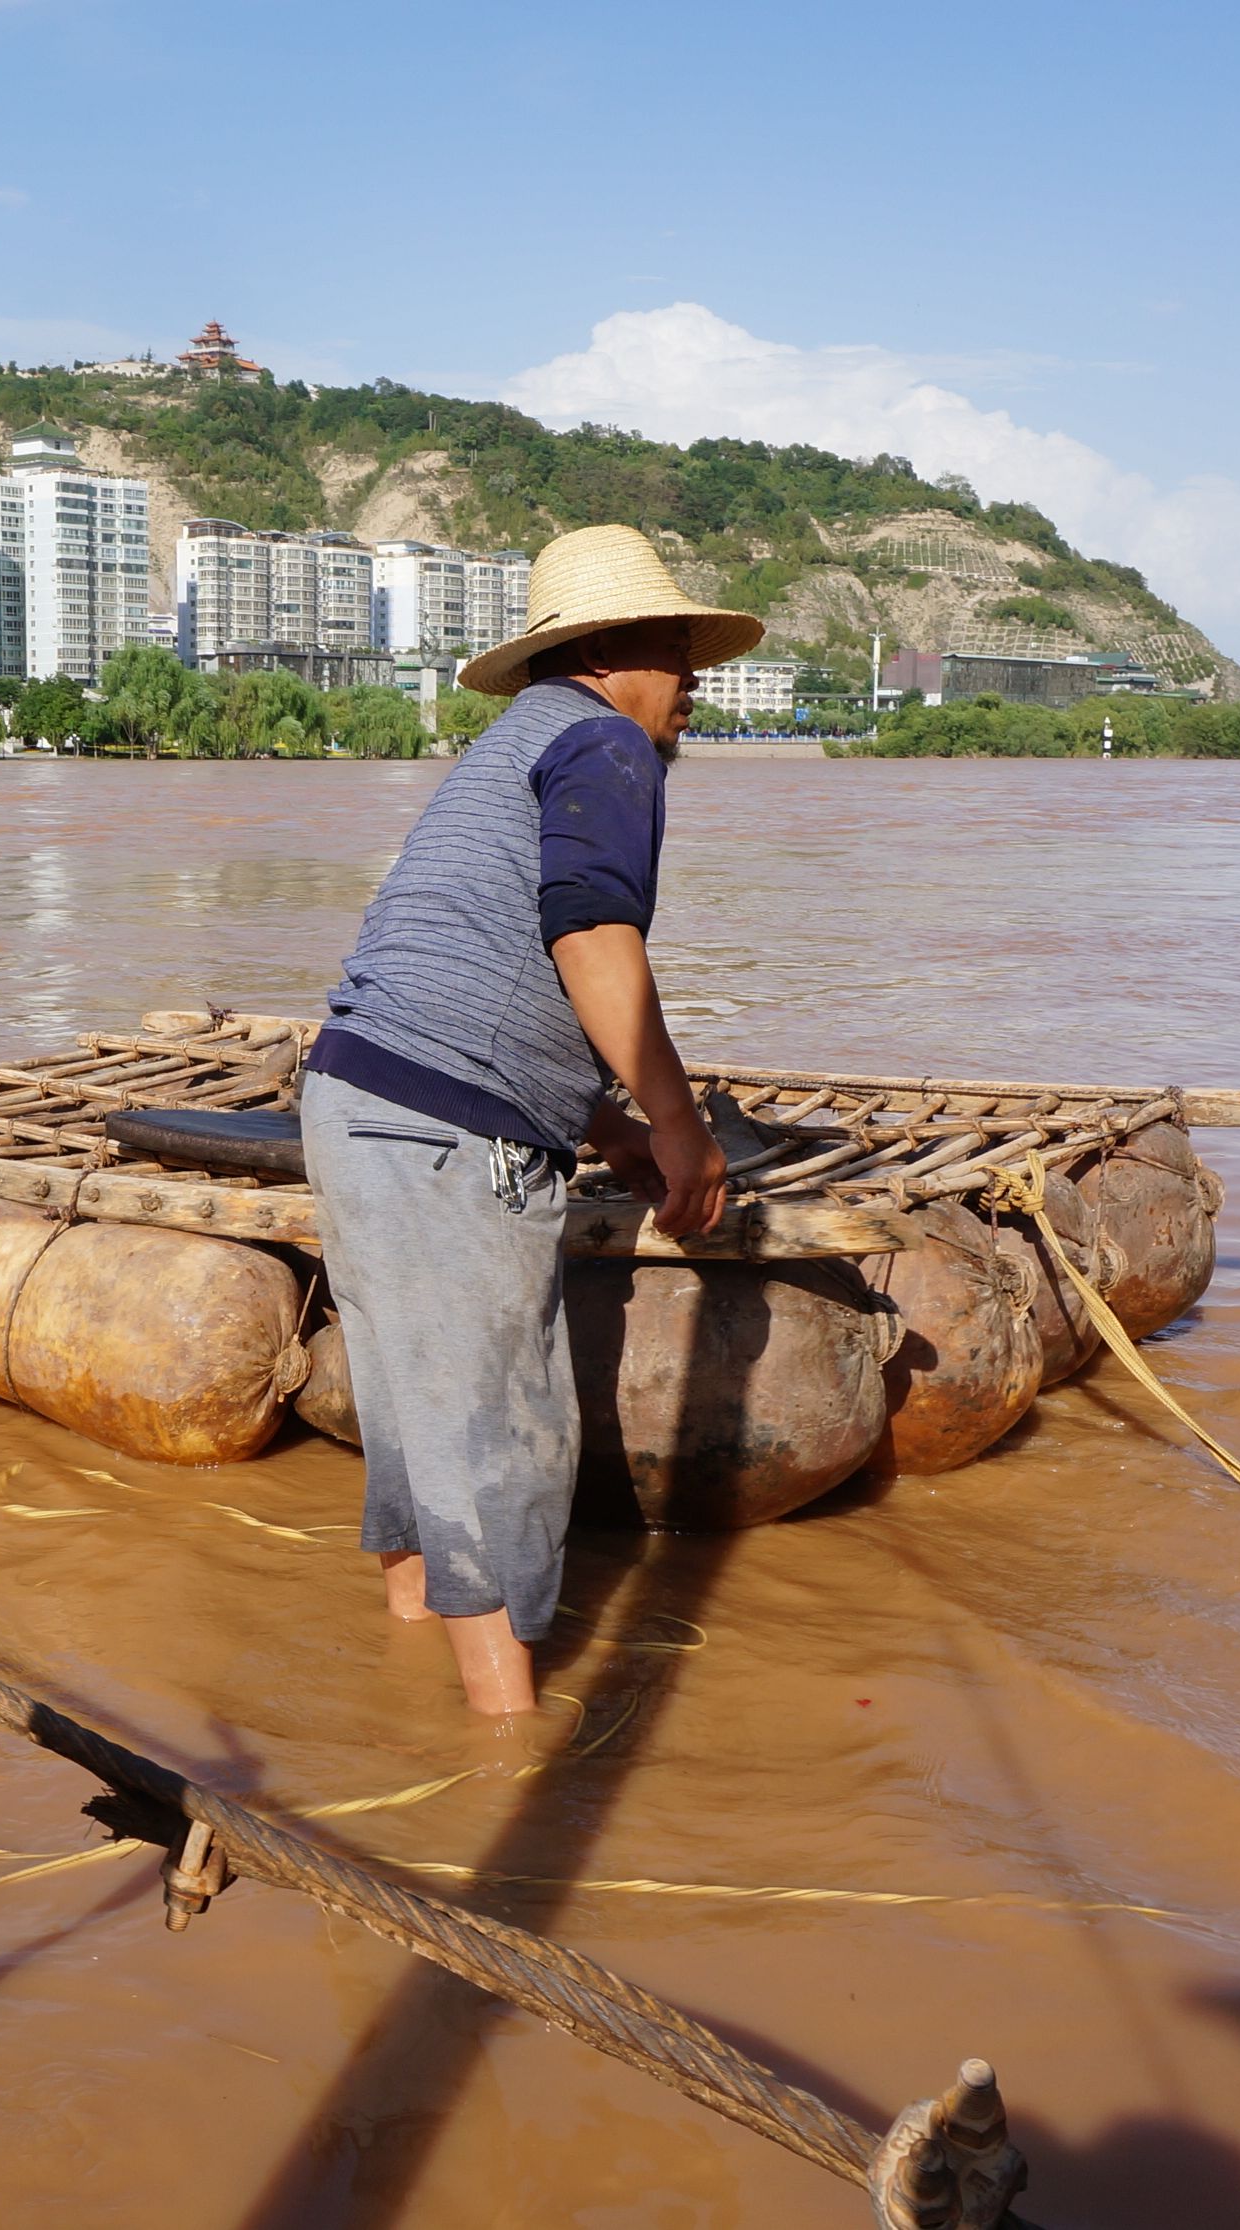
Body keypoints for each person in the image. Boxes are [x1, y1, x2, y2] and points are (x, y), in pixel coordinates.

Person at [298, 524, 763, 1715]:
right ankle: (504, 1754)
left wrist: (604, 1129)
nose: (692, 678)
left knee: (416, 1414)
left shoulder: (518, 741)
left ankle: (406, 1670)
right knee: (499, 1430)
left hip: (355, 1101)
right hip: (441, 1130)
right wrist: (676, 1121)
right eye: (676, 647)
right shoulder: (608, 743)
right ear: (614, 655)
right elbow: (589, 934)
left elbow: (500, 970)